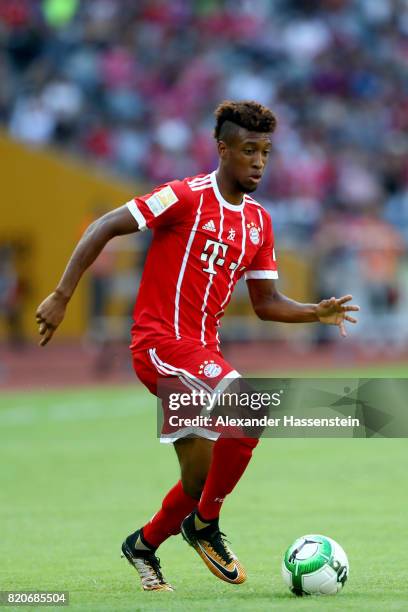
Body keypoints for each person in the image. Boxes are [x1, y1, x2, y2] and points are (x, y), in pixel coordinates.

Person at [36, 100, 359, 592]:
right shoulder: (183, 197)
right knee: (249, 409)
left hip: (202, 351)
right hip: (161, 344)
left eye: (266, 152)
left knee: (197, 477)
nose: (258, 161)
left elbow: (267, 301)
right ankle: (205, 526)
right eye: (248, 150)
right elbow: (106, 225)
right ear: (223, 149)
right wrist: (62, 294)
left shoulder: (258, 222)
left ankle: (143, 544)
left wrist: (313, 312)